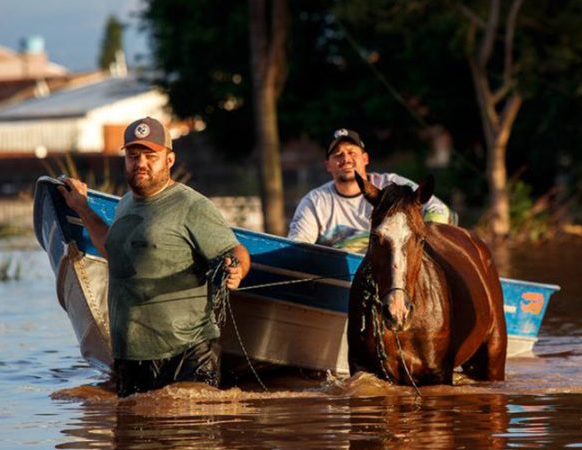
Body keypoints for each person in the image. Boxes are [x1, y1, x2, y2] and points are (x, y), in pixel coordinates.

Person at [57, 117, 251, 397]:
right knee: (131, 433)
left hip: (187, 352)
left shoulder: (191, 205)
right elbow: (113, 252)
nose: (141, 163)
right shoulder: (124, 203)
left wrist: (236, 269)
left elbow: (235, 251)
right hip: (131, 355)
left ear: (169, 160)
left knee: (188, 431)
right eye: (133, 156)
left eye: (150, 156)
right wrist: (83, 209)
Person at [288, 128, 453, 253]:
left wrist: (427, 238)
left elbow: (438, 209)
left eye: (352, 152)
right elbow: (298, 246)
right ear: (328, 165)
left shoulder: (392, 185)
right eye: (338, 155)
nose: (345, 159)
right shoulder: (315, 201)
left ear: (365, 158)